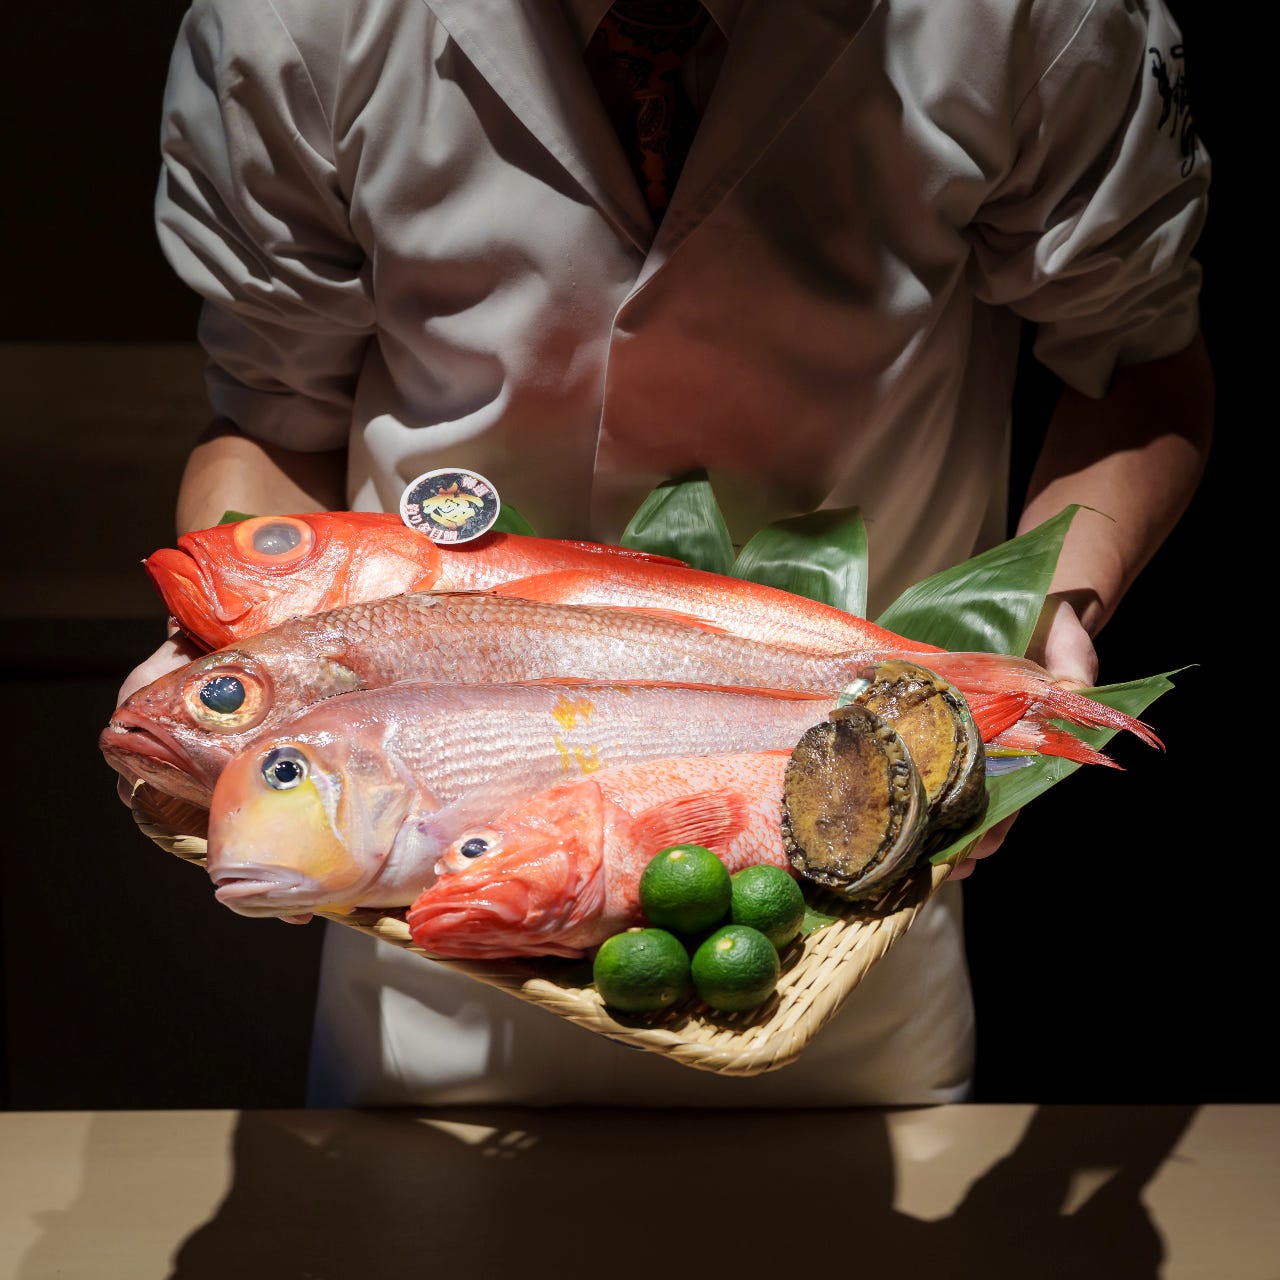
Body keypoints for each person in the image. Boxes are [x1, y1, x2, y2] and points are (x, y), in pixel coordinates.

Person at [120, 0, 1214, 1107]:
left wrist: (1050, 610)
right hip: (425, 956)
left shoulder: (1037, 14)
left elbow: (1140, 363)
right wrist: (219, 662)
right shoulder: (288, 19)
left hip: (843, 934)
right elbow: (274, 412)